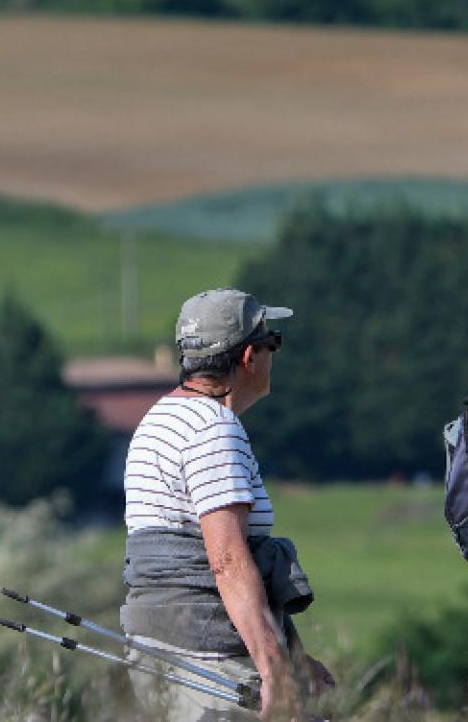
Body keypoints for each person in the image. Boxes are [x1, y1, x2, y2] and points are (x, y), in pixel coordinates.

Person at [120, 288, 333, 721]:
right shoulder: (214, 430)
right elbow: (228, 560)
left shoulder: (160, 418)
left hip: (156, 645)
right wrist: (274, 669)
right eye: (273, 342)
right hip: (209, 651)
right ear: (250, 356)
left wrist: (293, 656)